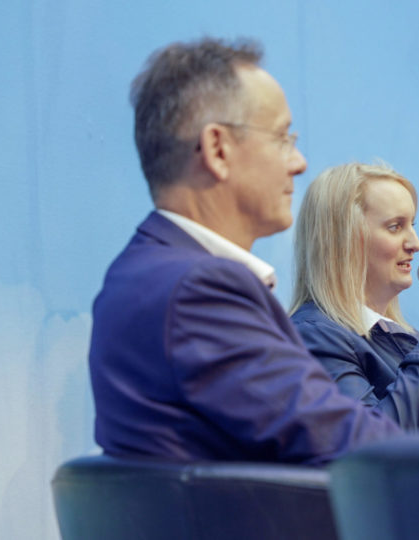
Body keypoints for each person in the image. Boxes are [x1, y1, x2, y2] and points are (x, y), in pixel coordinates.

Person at [88, 38, 402, 465]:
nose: (300, 162)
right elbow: (354, 449)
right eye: (282, 138)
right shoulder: (199, 291)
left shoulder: (144, 273)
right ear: (217, 149)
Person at [289, 163, 419, 432]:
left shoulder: (405, 337)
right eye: (395, 227)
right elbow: (372, 441)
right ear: (345, 239)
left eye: (412, 224)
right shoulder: (315, 336)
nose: (415, 243)